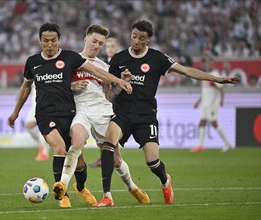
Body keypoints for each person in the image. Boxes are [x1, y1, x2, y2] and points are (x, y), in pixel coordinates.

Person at [92, 19, 240, 207]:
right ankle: (107, 196)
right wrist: (121, 84)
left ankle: (165, 181)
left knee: (152, 162)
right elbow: (109, 96)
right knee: (108, 145)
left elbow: (186, 70)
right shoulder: (118, 59)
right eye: (134, 36)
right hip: (123, 114)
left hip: (146, 116)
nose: (136, 41)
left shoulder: (157, 58)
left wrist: (218, 79)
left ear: (149, 40)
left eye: (141, 38)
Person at [7, 22, 132, 208]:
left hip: (69, 114)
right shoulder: (33, 62)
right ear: (40, 41)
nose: (50, 44)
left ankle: (81, 187)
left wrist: (118, 81)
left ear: (59, 40)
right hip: (45, 115)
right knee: (59, 148)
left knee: (79, 163)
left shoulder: (69, 58)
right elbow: (26, 87)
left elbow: (96, 71)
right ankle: (62, 194)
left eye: (53, 40)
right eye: (46, 41)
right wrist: (15, 111)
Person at [53, 24, 149, 206]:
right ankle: (62, 185)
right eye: (94, 41)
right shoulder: (72, 61)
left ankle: (132, 187)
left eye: (100, 43)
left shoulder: (105, 66)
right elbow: (57, 86)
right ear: (85, 39)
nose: (96, 46)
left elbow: (110, 96)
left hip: (104, 113)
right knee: (77, 142)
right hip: (81, 111)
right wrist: (71, 86)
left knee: (115, 159)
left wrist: (121, 85)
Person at [89, 37, 120, 168]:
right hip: (103, 102)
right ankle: (105, 158)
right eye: (108, 46)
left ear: (117, 47)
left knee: (110, 135)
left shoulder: (119, 64)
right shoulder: (102, 63)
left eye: (112, 46)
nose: (110, 49)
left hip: (115, 103)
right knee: (101, 136)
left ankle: (116, 159)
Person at [190, 56, 233, 153]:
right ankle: (200, 146)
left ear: (213, 65)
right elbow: (205, 91)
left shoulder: (215, 75)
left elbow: (221, 88)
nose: (207, 65)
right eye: (207, 64)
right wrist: (198, 102)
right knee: (202, 122)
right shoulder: (206, 75)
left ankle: (227, 143)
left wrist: (221, 100)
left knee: (214, 123)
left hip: (212, 104)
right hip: (204, 104)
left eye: (210, 64)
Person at [26, 82, 50, 161]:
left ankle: (44, 153)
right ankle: (42, 146)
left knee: (42, 128)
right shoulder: (32, 72)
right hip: (34, 104)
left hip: (42, 103)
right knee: (29, 127)